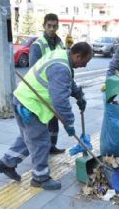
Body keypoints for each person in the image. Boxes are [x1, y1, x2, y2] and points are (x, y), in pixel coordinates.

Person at [0, 42, 92, 190]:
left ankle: (6, 163)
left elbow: (68, 82)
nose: (85, 66)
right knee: (40, 142)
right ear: (77, 56)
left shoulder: (62, 56)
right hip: (29, 106)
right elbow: (60, 101)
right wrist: (69, 123)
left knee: (29, 138)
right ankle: (40, 178)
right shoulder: (61, 68)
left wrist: (79, 95)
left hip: (23, 100)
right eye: (85, 61)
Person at [29, 13, 73, 154]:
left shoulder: (60, 44)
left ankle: (51, 146)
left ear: (58, 26)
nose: (52, 29)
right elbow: (34, 69)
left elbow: (65, 64)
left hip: (55, 90)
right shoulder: (38, 45)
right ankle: (40, 150)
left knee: (54, 121)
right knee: (42, 122)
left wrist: (69, 48)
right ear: (44, 26)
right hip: (42, 90)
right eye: (49, 26)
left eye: (55, 26)